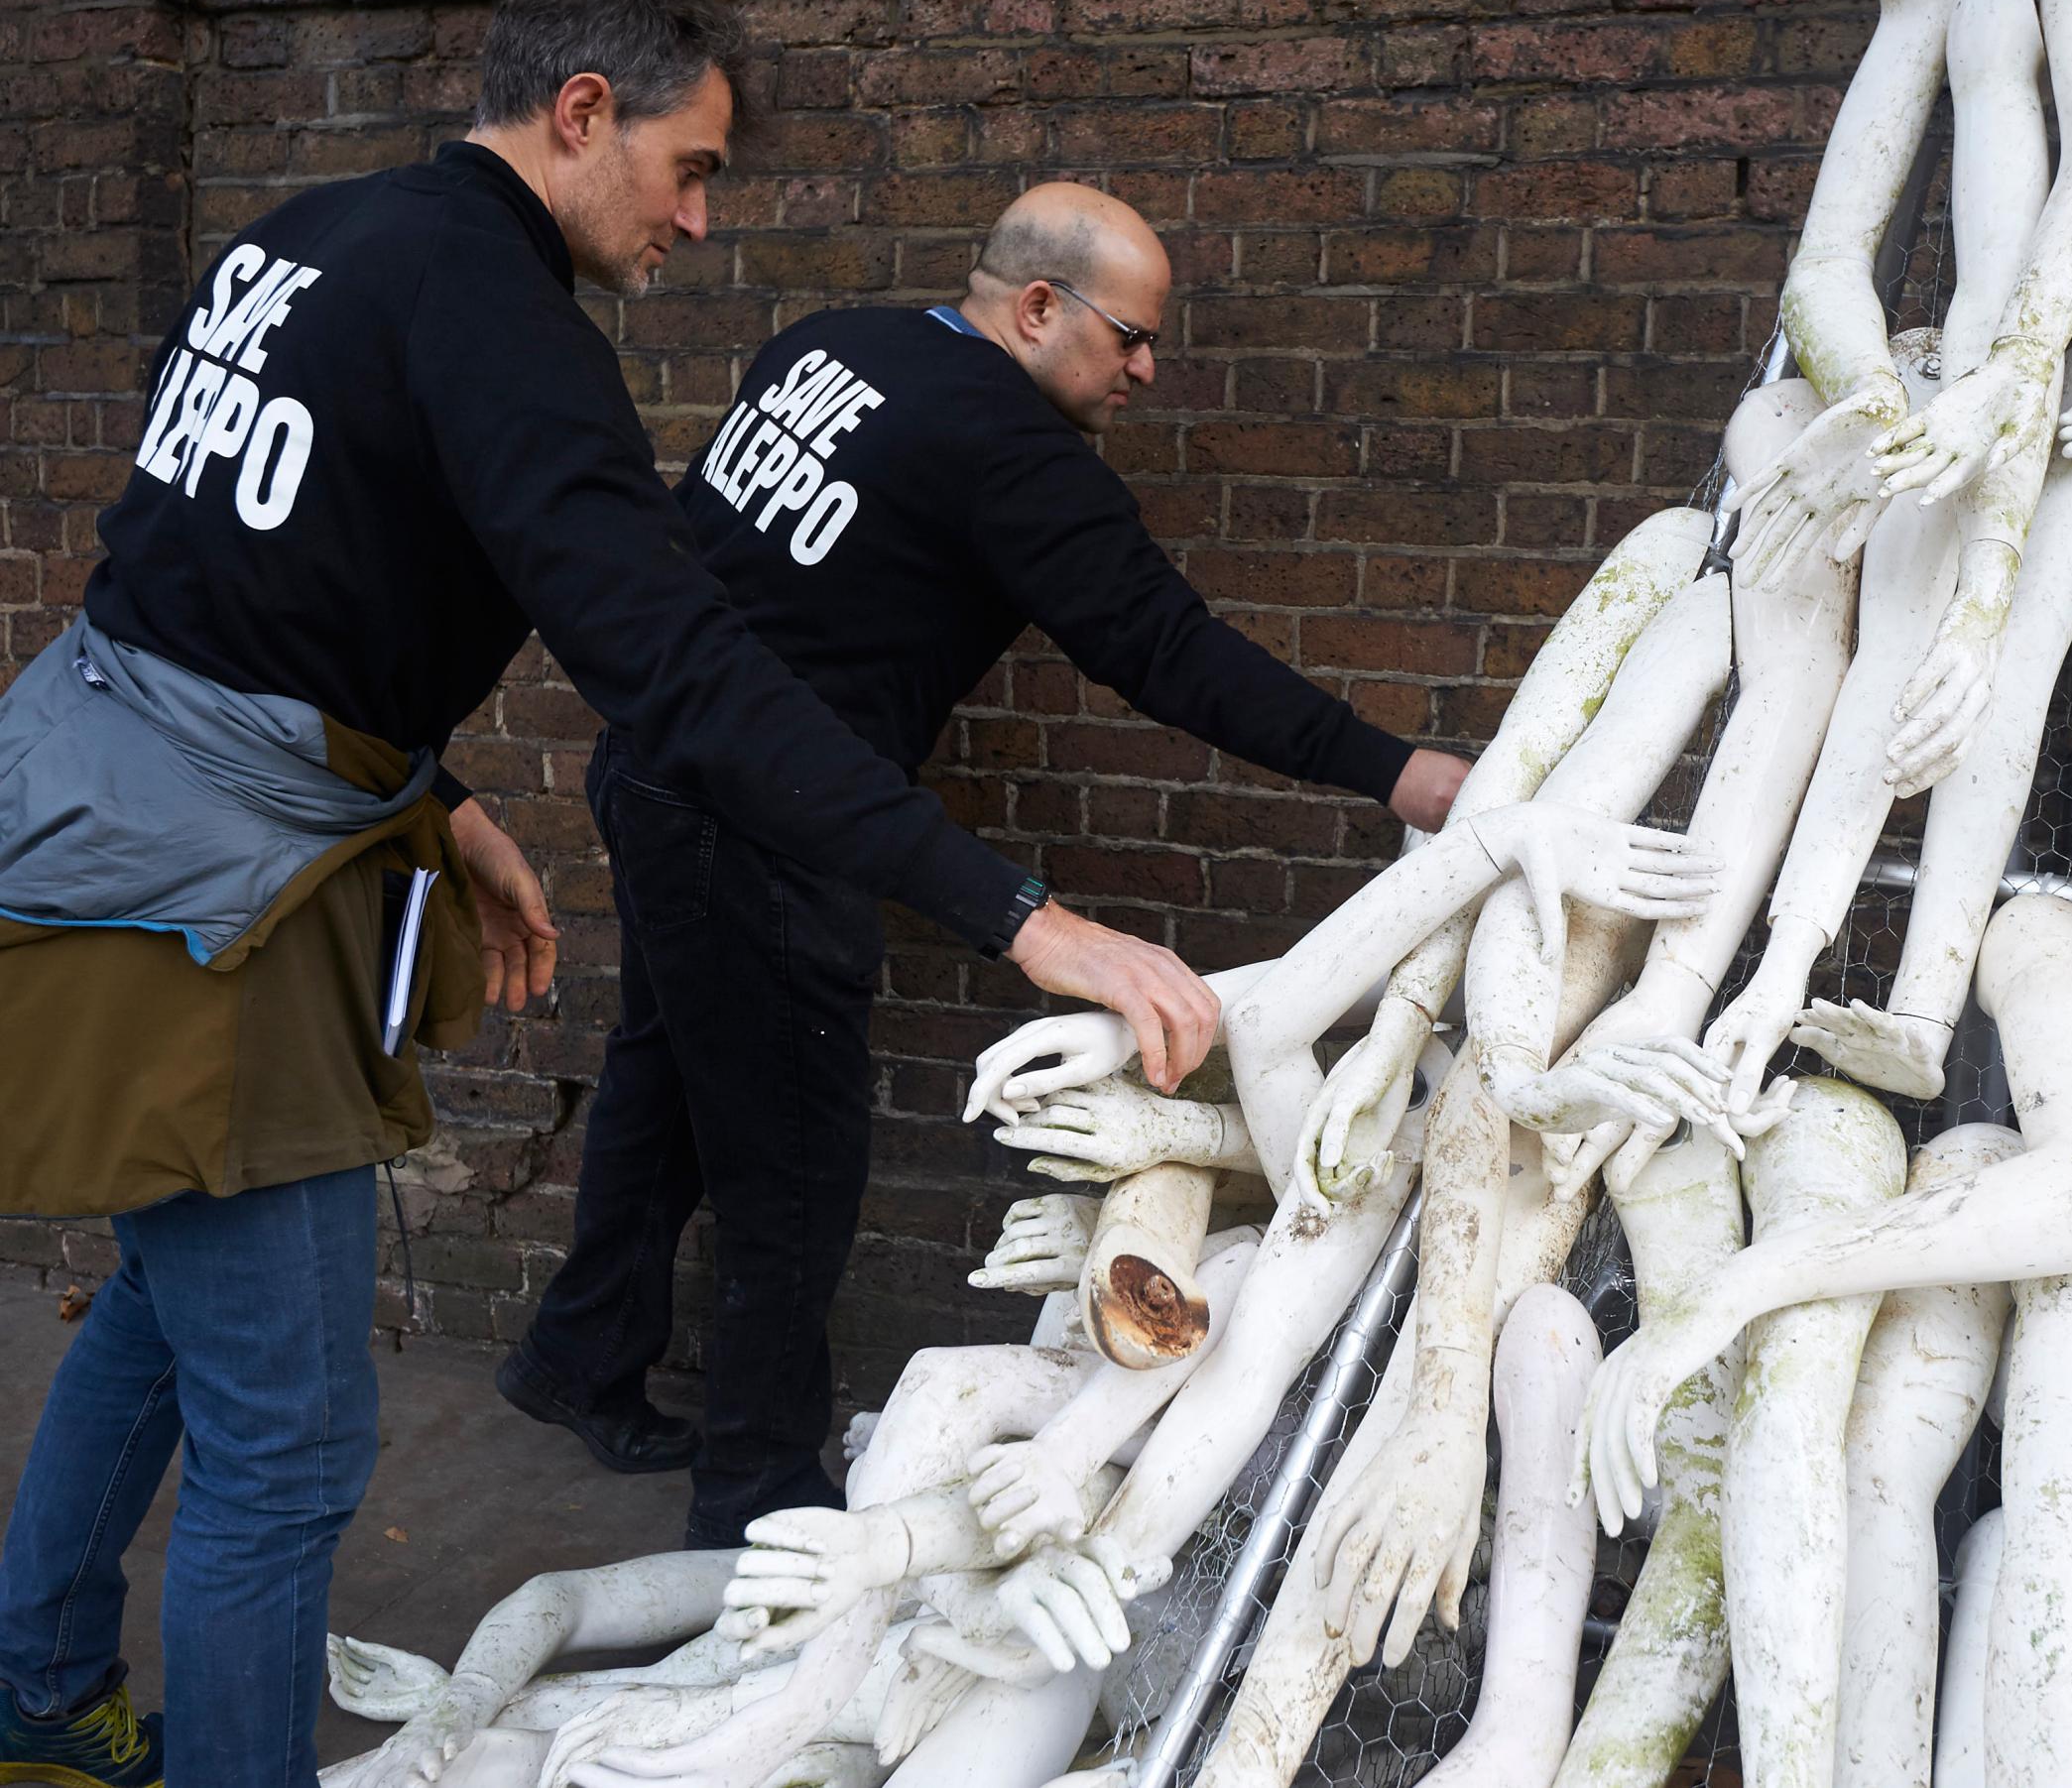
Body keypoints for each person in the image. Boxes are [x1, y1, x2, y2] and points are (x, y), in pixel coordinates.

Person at [0, 0, 1227, 1788]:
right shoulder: (505, 323)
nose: (698, 217)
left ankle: (38, 1706)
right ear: (584, 111)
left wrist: (447, 800)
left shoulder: (313, 237)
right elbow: (692, 675)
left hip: (83, 811)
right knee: (293, 1446)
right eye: (691, 164)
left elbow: (214, 581)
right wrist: (1018, 914)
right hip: (204, 912)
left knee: (174, 1315)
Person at [501, 180, 1473, 1551]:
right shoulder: (1012, 449)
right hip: (777, 823)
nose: (1146, 368)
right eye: (1128, 337)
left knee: (665, 1078)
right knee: (792, 1160)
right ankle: (760, 1496)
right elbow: (1167, 651)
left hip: (658, 768)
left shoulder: (833, 343)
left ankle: (579, 1360)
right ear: (1036, 308)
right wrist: (1396, 767)